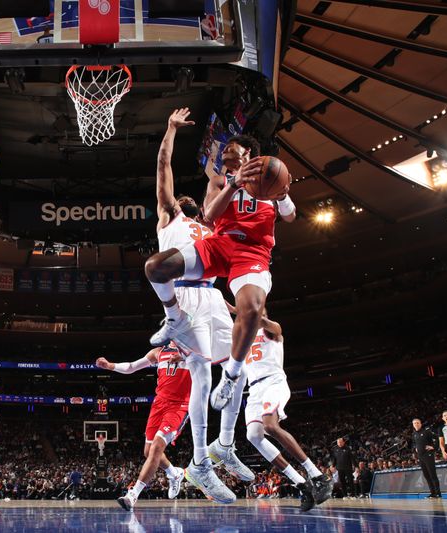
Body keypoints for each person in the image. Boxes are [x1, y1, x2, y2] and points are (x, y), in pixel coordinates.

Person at [144, 125, 296, 469]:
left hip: (252, 253)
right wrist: (233, 182)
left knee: (252, 309)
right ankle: (171, 317)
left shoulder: (271, 172)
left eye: (229, 148)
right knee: (156, 267)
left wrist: (283, 192)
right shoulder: (217, 180)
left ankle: (229, 385)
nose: (223, 152)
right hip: (218, 246)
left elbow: (290, 215)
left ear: (248, 153)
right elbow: (209, 216)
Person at [141, 107, 249, 504]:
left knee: (240, 366)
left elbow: (217, 184)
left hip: (212, 296)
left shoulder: (208, 223)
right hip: (183, 291)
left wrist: (224, 154)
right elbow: (164, 166)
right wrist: (170, 129)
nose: (185, 199)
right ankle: (201, 461)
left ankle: (222, 446)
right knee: (201, 375)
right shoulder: (169, 215)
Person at [238, 312, 331, 512]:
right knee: (253, 436)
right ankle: (301, 484)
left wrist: (240, 309)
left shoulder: (272, 330)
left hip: (273, 382)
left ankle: (317, 476)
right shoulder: (242, 338)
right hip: (253, 391)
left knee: (270, 426)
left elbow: (265, 322)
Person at [96, 344, 191, 510]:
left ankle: (133, 495)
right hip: (159, 404)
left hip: (179, 405)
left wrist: (187, 356)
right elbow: (132, 367)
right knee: (148, 452)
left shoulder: (195, 348)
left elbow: (210, 357)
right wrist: (110, 365)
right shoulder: (159, 352)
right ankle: (174, 474)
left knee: (156, 447)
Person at [411, 418, 441, 498]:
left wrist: (434, 447)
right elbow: (414, 443)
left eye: (417, 423)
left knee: (432, 474)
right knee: (426, 475)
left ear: (420, 424)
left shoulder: (426, 431)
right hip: (421, 457)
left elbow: (438, 438)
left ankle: (438, 493)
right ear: (413, 425)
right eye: (414, 423)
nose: (416, 424)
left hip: (429, 455)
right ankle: (433, 493)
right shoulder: (414, 434)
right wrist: (415, 448)